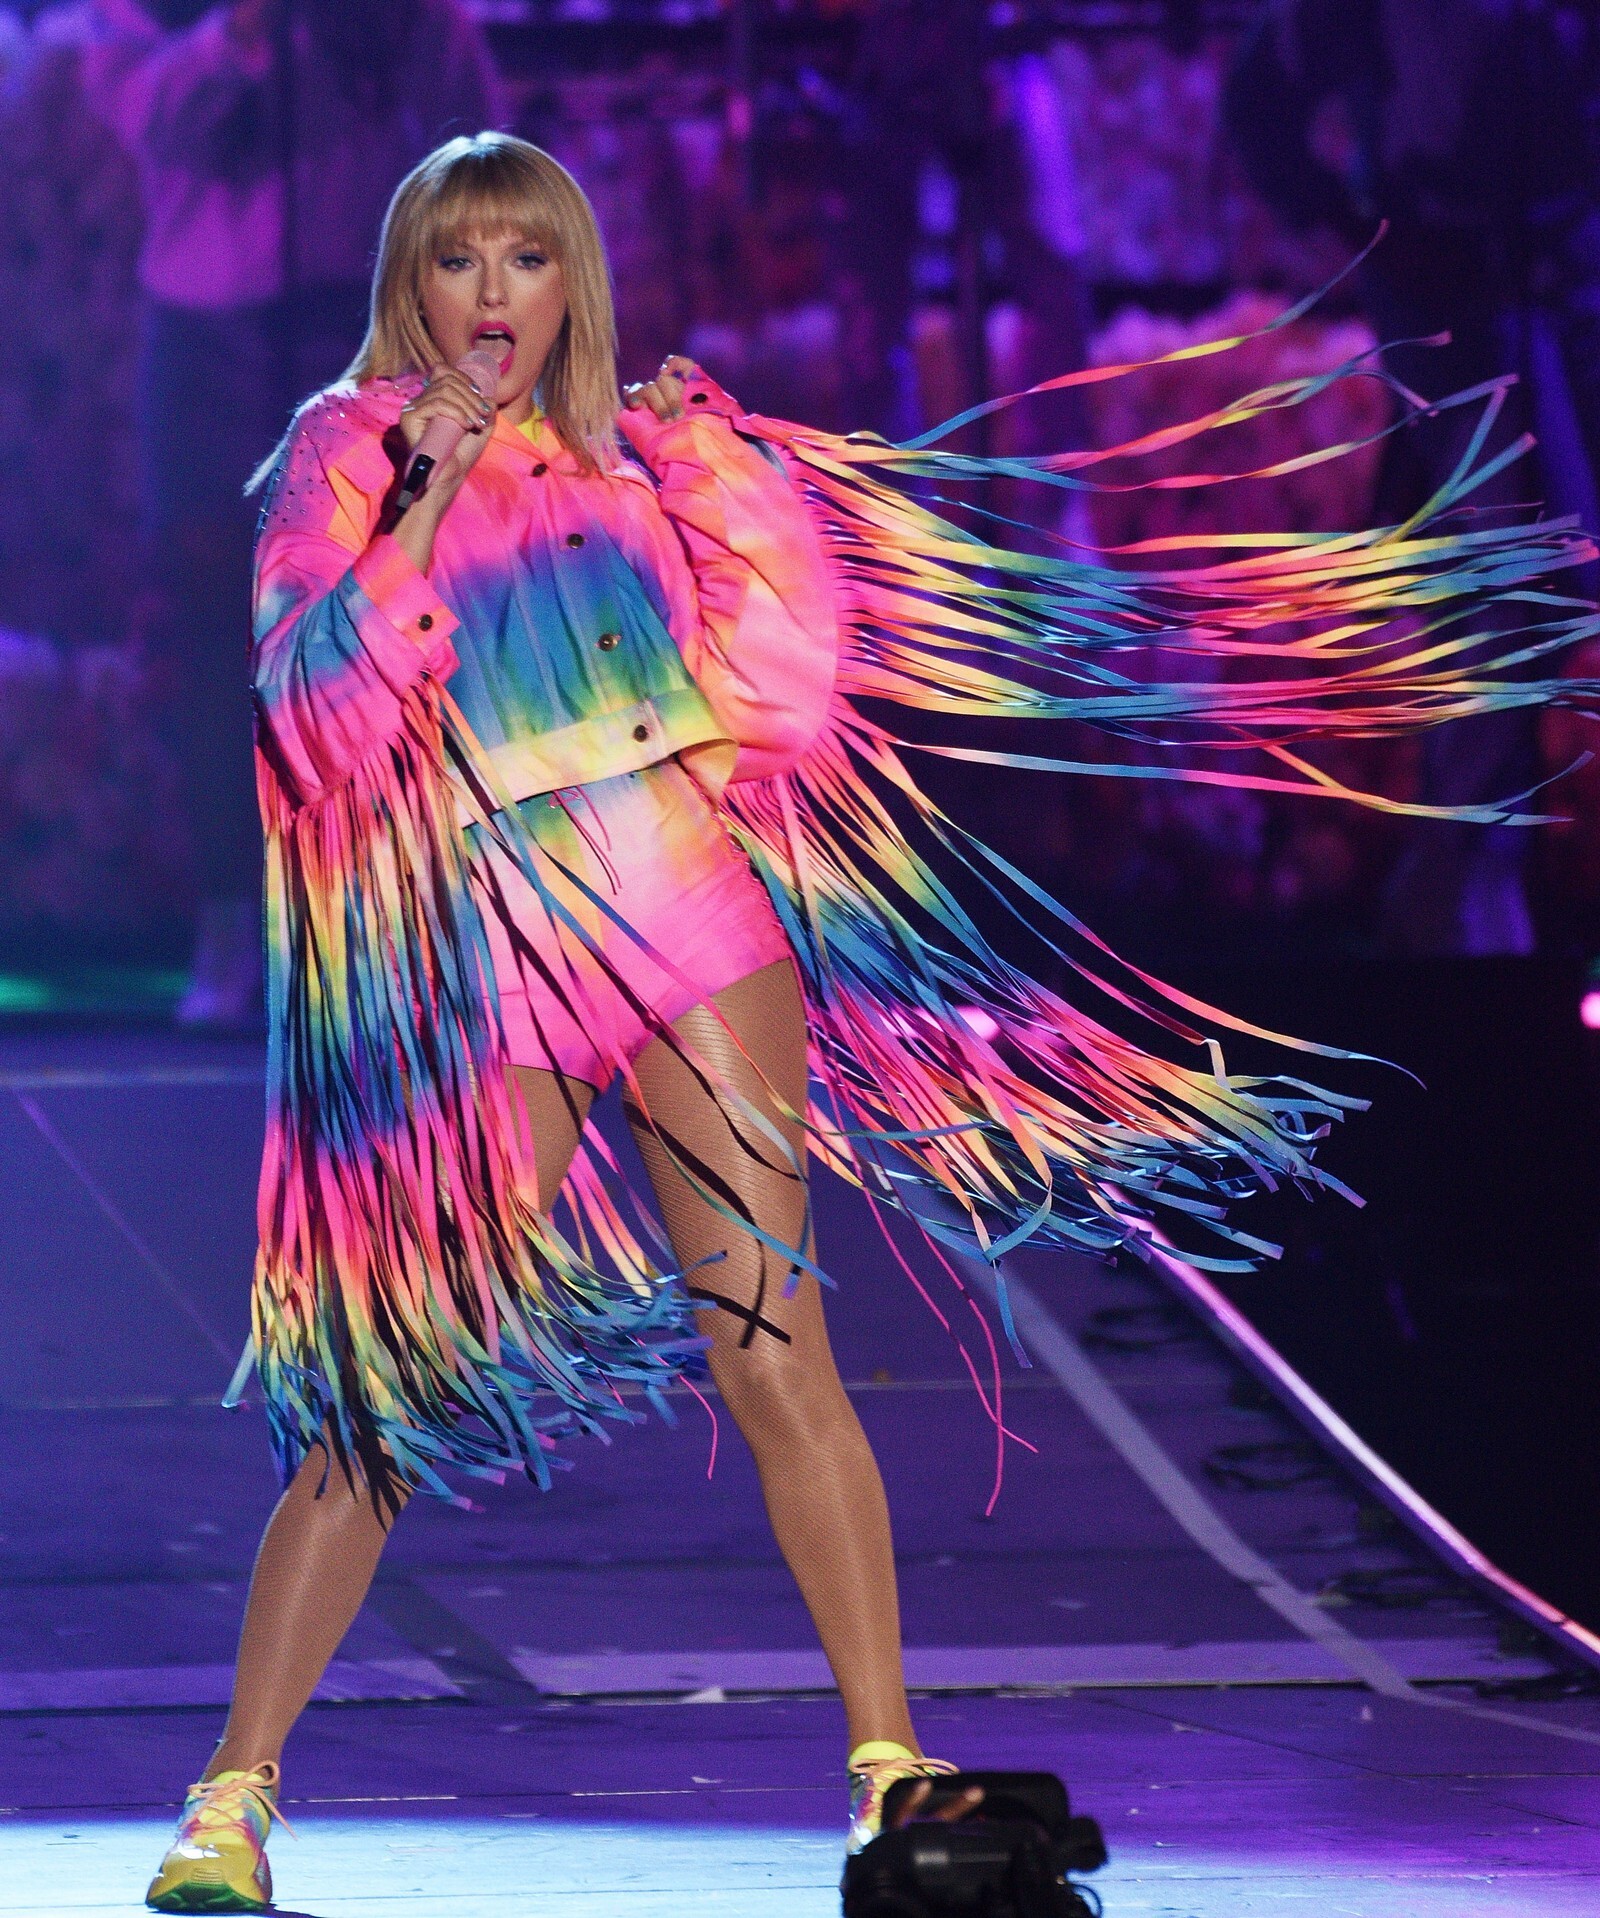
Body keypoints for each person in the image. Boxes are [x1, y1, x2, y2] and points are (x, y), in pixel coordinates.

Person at [143, 133, 1596, 1912]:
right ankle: (232, 1791)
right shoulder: (345, 450)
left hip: (691, 913)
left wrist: (728, 484)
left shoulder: (637, 456)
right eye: (461, 261)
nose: (495, 294)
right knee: (391, 1386)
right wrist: (417, 508)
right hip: (497, 945)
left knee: (776, 1351)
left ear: (573, 281)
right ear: (412, 284)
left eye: (528, 258)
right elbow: (311, 712)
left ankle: (888, 1765)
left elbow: (780, 696)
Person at [83, 0, 501, 1028]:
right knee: (217, 633)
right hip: (206, 337)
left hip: (358, 330)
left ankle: (380, 929)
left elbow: (476, 144)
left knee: (376, 625)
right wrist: (243, 32)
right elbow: (149, 119)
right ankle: (233, 924)